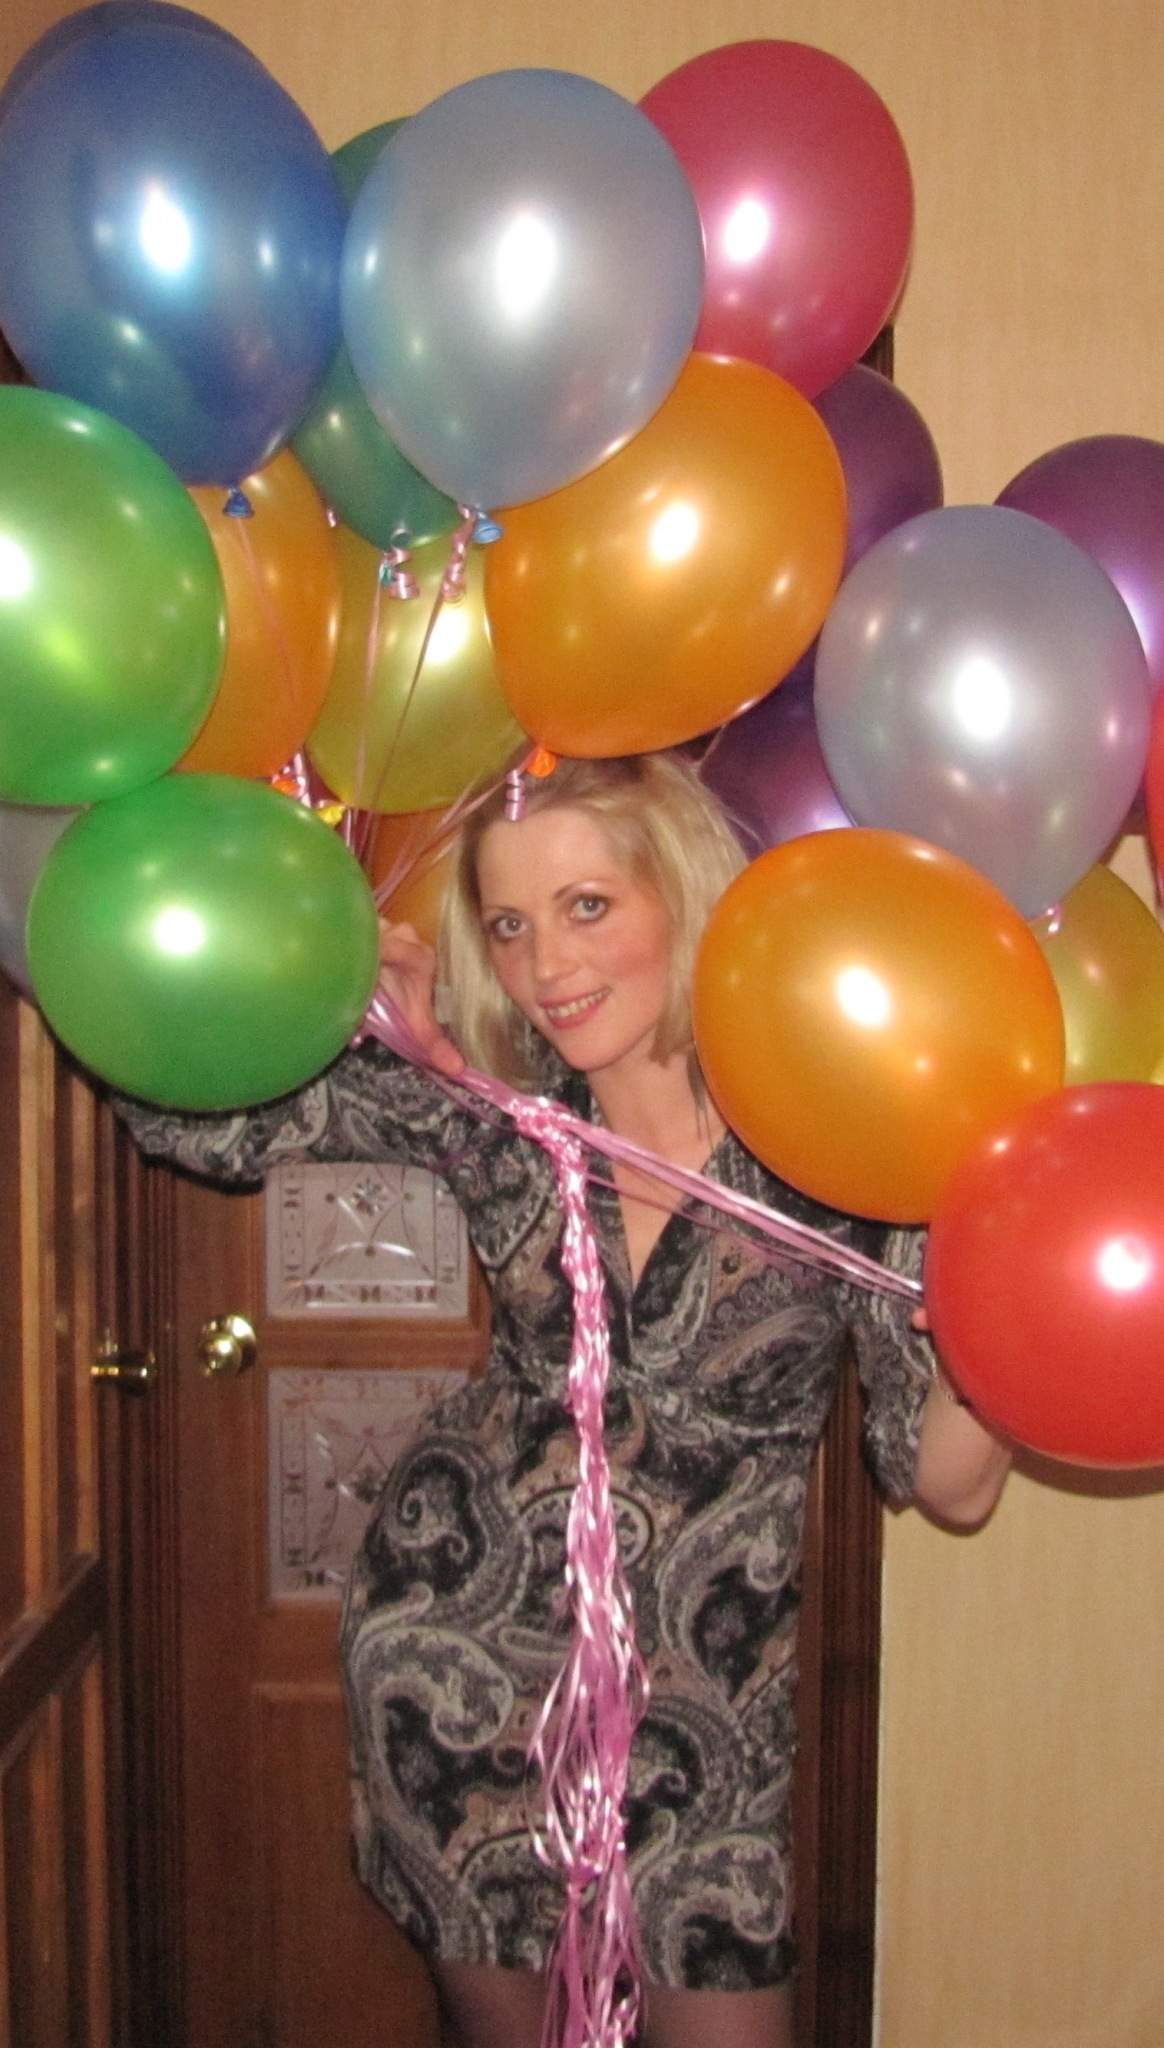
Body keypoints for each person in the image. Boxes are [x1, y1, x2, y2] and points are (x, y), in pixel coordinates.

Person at [120, 751, 1011, 2048]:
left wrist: (992, 1335)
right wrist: (315, 984)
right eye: (509, 924)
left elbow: (947, 1482)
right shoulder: (498, 1108)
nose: (546, 967)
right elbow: (199, 1123)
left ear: (685, 897)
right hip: (461, 1661)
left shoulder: (837, 1126)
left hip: (706, 1707)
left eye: (588, 907)